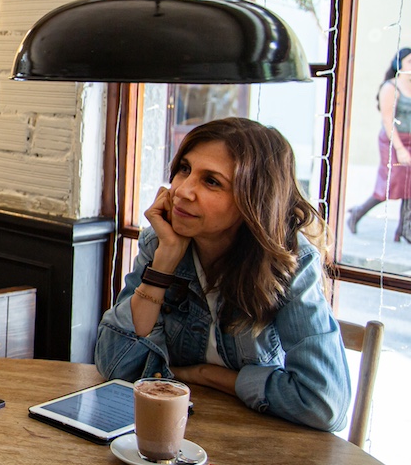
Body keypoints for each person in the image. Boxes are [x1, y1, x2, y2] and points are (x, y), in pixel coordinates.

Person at [94, 117, 350, 432]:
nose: (183, 191)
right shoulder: (160, 242)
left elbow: (324, 404)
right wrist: (163, 265)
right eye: (184, 169)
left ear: (253, 200)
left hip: (259, 442)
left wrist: (204, 376)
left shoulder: (289, 262)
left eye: (211, 181)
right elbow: (115, 365)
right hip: (176, 429)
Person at [346, 46, 411, 241]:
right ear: (399, 64)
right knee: (391, 184)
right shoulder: (391, 87)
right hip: (393, 142)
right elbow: (387, 120)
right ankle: (357, 213)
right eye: (409, 62)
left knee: (410, 185)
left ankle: (404, 229)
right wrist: (399, 149)